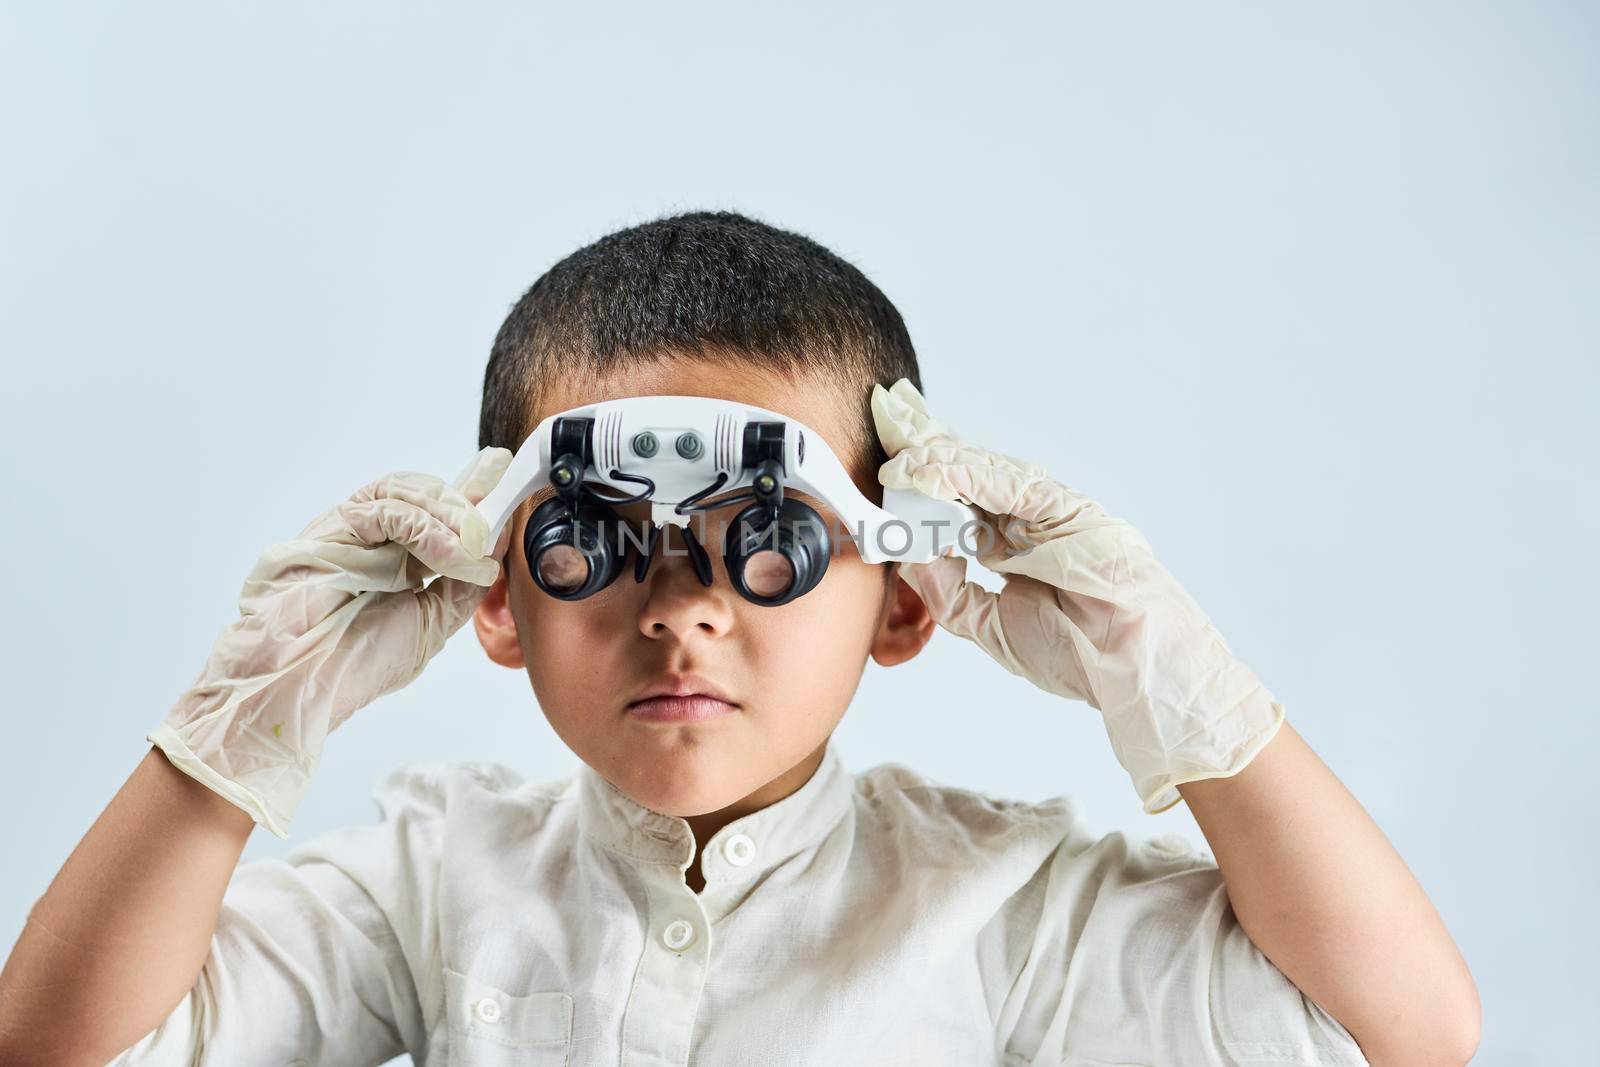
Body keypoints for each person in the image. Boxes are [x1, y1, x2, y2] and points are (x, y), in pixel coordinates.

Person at [0, 211, 1479, 1066]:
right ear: (495, 595)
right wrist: (241, 730)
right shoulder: (433, 875)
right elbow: (65, 1053)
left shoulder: (1003, 904)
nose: (681, 604)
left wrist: (1158, 667)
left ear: (907, 596)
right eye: (593, 539)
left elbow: (1401, 1032)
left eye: (768, 542)